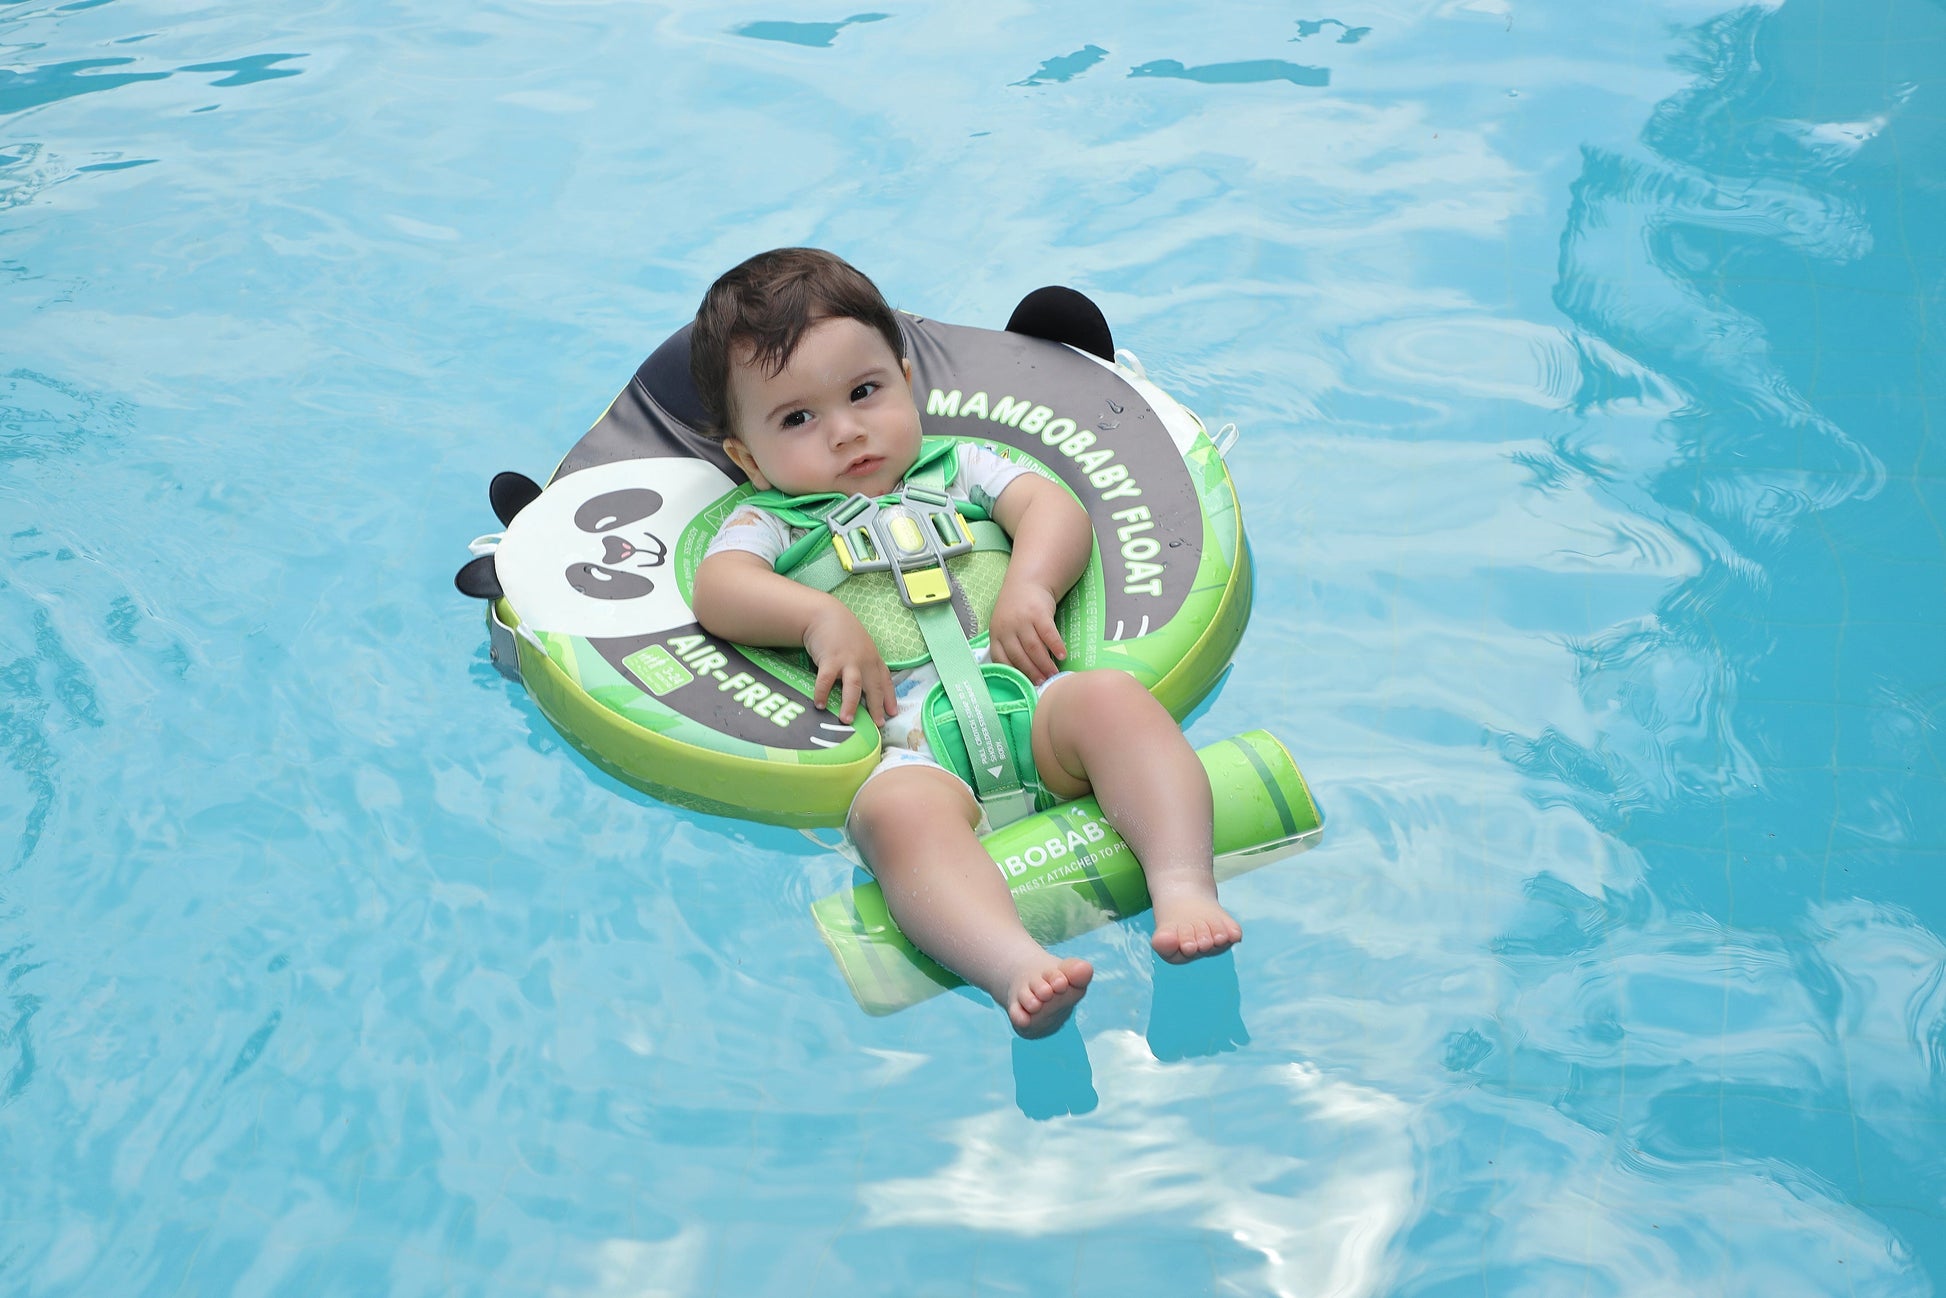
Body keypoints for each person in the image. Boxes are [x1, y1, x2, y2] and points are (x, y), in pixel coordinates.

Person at [688, 248, 1239, 1037]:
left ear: (907, 382)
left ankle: (1184, 886)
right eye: (798, 419)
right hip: (906, 749)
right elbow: (722, 590)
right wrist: (818, 617)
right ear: (747, 457)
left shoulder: (959, 467)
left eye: (865, 392)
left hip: (1030, 699)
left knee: (1113, 702)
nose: (846, 433)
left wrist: (1031, 585)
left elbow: (1055, 510)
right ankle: (1013, 967)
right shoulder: (771, 520)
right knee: (897, 819)